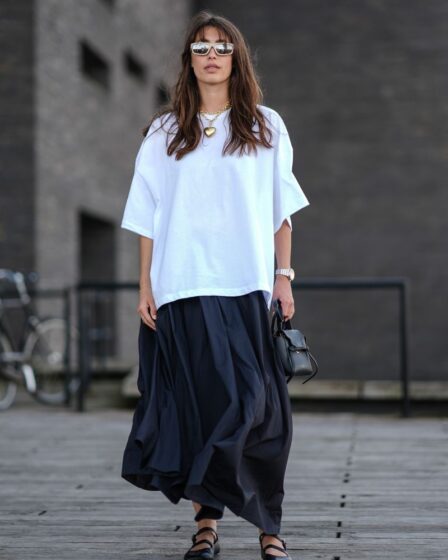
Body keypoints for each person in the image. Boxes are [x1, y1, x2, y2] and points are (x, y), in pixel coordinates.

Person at [120, 10, 310, 560]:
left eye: (222, 47)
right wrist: (144, 287)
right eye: (201, 47)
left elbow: (282, 212)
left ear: (236, 58)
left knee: (257, 404)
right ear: (189, 59)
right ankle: (208, 524)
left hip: (248, 284)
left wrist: (283, 276)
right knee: (206, 408)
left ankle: (269, 526)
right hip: (181, 286)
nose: (211, 55)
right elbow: (147, 217)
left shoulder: (266, 125)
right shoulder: (164, 131)